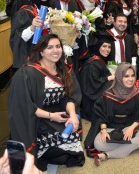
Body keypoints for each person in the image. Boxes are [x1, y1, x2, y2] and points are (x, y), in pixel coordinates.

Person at [8, 34, 84, 172]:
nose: (55, 50)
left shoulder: (63, 70)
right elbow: (25, 105)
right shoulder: (28, 73)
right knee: (53, 150)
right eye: (50, 47)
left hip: (59, 114)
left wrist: (72, 115)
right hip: (37, 118)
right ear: (41, 51)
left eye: (58, 46)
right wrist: (51, 116)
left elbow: (69, 97)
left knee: (70, 151)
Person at [84, 63, 139, 165]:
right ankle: (133, 145)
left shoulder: (138, 94)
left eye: (133, 75)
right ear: (119, 76)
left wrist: (131, 128)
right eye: (126, 76)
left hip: (129, 126)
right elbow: (100, 115)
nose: (130, 79)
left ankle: (107, 155)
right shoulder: (108, 95)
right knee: (98, 144)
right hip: (111, 128)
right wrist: (103, 130)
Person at [9, 0, 52, 68]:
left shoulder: (51, 10)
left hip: (50, 57)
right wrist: (32, 27)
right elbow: (17, 39)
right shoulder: (25, 12)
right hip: (33, 58)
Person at [79, 32, 115, 121]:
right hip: (92, 106)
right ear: (98, 46)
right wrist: (110, 78)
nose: (107, 49)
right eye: (104, 46)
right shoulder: (92, 64)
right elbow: (92, 85)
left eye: (109, 47)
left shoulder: (99, 61)